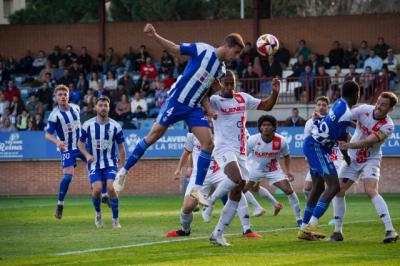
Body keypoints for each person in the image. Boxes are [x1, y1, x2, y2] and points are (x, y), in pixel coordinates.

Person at [113, 23, 245, 206]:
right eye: (236, 52)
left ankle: (197, 189)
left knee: (208, 144)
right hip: (176, 101)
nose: (236, 57)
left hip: (193, 108)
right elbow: (175, 49)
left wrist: (209, 109)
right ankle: (123, 172)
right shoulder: (203, 49)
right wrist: (155, 35)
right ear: (228, 46)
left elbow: (205, 93)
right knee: (153, 136)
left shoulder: (221, 70)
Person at [205, 70, 280, 246]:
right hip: (223, 147)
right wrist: (210, 89)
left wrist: (275, 93)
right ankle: (210, 201)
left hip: (241, 151)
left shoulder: (243, 98)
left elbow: (267, 106)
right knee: (236, 178)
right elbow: (201, 100)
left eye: (233, 83)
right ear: (220, 83)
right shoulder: (214, 100)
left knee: (237, 190)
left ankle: (217, 234)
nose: (230, 87)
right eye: (226, 83)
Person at [330, 92, 398, 243]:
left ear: (391, 109)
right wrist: (324, 119)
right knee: (338, 190)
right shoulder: (364, 109)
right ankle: (337, 232)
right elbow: (345, 117)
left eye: (384, 105)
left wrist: (348, 145)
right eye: (378, 102)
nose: (379, 106)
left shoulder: (388, 126)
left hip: (371, 159)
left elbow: (368, 141)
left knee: (370, 190)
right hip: (353, 158)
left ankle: (390, 230)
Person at [166, 130, 261, 239]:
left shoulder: (222, 129)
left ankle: (247, 229)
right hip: (199, 175)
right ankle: (185, 230)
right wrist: (179, 169)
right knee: (188, 206)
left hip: (219, 172)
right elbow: (188, 152)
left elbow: (244, 141)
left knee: (236, 190)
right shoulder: (193, 133)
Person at [298, 81, 360, 241]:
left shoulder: (339, 103)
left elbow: (339, 132)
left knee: (318, 188)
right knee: (334, 186)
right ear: (356, 95)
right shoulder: (347, 113)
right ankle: (311, 225)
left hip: (314, 145)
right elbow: (344, 134)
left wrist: (346, 158)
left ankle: (303, 228)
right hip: (317, 147)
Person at [244, 115, 302, 226]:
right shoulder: (253, 140)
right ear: (260, 128)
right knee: (242, 190)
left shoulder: (281, 141)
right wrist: (243, 170)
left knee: (288, 190)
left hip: (273, 170)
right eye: (263, 125)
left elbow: (287, 156)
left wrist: (288, 171)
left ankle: (299, 219)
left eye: (269, 125)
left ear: (273, 127)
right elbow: (244, 156)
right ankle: (244, 221)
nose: (266, 127)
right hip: (255, 168)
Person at [78, 96, 126, 228]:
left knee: (111, 188)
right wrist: (87, 155)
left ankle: (115, 220)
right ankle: (98, 214)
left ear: (109, 108)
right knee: (97, 189)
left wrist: (123, 167)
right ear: (95, 107)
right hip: (94, 163)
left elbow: (121, 147)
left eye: (105, 105)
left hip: (110, 162)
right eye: (100, 105)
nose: (103, 107)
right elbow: (80, 144)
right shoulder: (87, 125)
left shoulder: (116, 126)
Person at [45, 85, 87, 219]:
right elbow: (48, 135)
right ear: (56, 98)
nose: (63, 97)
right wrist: (57, 142)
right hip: (67, 148)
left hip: (81, 146)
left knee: (97, 166)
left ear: (68, 96)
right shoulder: (54, 115)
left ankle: (104, 194)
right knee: (68, 177)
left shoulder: (76, 108)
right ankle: (60, 205)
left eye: (65, 94)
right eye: (60, 95)